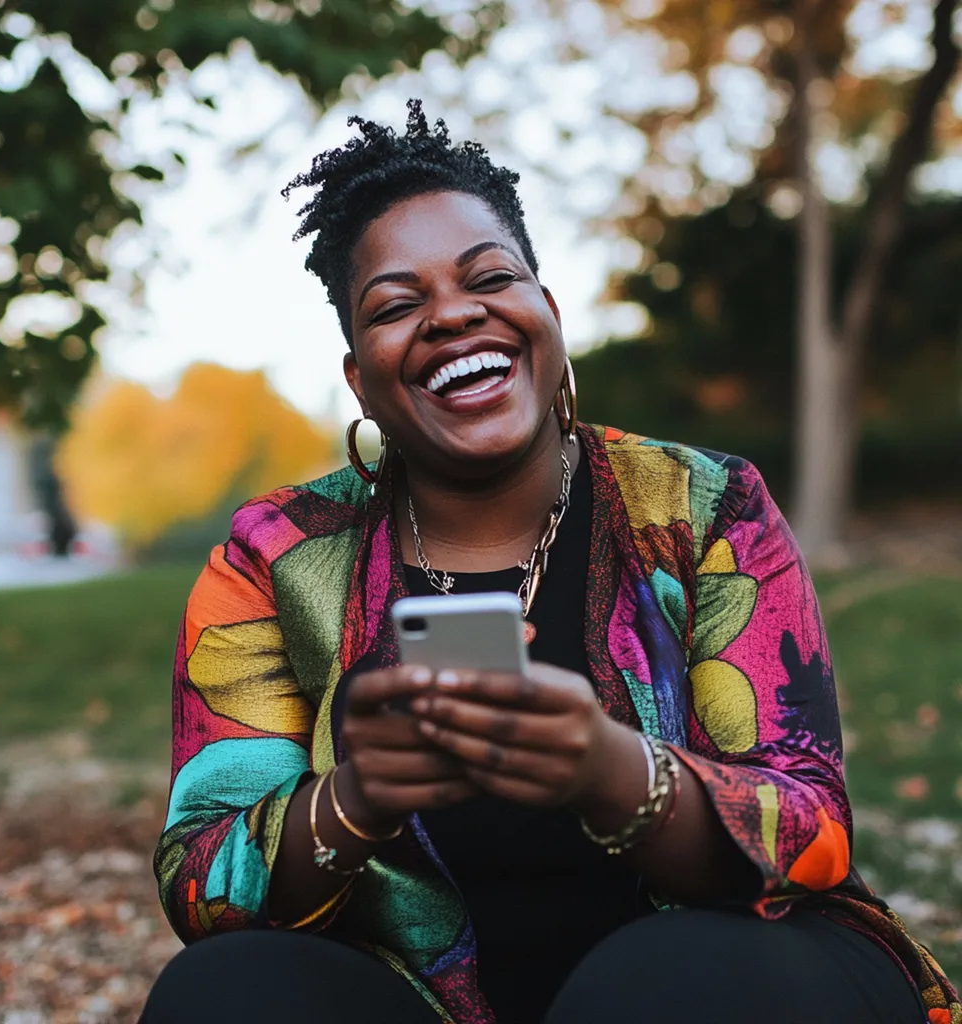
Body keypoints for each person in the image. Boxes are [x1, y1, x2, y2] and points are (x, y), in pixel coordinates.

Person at [142, 101, 958, 1024]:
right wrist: (355, 796)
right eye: (398, 306)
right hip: (423, 999)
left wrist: (611, 772)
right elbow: (202, 886)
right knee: (222, 997)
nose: (452, 315)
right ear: (360, 378)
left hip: (722, 977)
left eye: (490, 277)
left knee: (669, 982)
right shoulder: (274, 557)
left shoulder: (703, 507)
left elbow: (810, 831)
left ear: (548, 314)